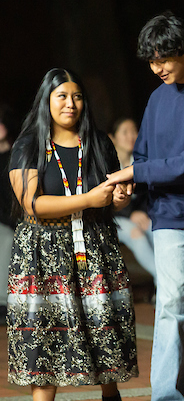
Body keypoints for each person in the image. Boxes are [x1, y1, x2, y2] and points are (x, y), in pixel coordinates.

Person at [7, 68, 138, 400]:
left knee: (106, 338)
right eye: (61, 96)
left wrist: (119, 200)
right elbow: (32, 204)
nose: (70, 104)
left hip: (95, 247)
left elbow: (110, 199)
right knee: (45, 346)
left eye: (77, 96)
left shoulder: (97, 142)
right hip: (43, 254)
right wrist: (90, 199)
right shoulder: (29, 144)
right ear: (46, 102)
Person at [105, 11, 184, 400]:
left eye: (163, 59)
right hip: (168, 216)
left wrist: (134, 172)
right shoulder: (156, 97)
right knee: (171, 306)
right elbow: (144, 156)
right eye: (151, 60)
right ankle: (167, 395)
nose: (156, 68)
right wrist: (127, 185)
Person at [109, 117, 156, 284]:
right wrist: (131, 214)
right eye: (125, 132)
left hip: (136, 215)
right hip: (113, 219)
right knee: (136, 234)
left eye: (134, 131)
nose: (131, 136)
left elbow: (147, 194)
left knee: (153, 228)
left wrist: (141, 212)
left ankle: (167, 285)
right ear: (112, 137)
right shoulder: (106, 164)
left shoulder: (139, 163)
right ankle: (164, 279)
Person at [0, 103, 17, 326]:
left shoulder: (19, 152)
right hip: (4, 220)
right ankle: (4, 302)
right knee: (6, 238)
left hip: (23, 215)